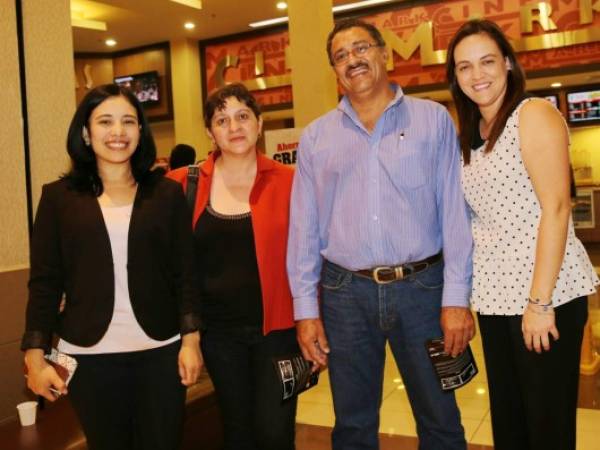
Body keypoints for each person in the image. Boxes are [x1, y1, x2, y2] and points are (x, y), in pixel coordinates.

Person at [287, 18, 474, 450]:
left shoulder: (434, 121)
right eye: (340, 56)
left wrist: (456, 299)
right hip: (345, 293)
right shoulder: (316, 138)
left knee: (441, 416)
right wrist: (305, 310)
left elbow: (454, 213)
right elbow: (304, 227)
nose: (352, 60)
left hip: (424, 290)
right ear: (334, 70)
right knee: (352, 423)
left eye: (361, 48)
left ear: (384, 52)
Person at [21, 84, 202, 450]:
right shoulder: (58, 199)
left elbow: (186, 274)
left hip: (160, 350)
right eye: (105, 121)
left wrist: (191, 340)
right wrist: (34, 357)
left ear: (140, 131)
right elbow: (44, 283)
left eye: (128, 122)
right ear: (86, 133)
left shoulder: (166, 193)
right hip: (89, 357)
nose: (118, 132)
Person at [446, 19, 599, 450]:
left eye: (487, 61)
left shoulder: (532, 115)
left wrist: (539, 303)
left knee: (546, 428)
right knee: (511, 426)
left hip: (543, 297)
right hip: (495, 300)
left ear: (509, 64)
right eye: (464, 67)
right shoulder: (472, 132)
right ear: (455, 77)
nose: (477, 75)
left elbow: (556, 208)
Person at [167, 83, 298, 450]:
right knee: (237, 430)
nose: (234, 126)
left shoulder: (291, 182)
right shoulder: (181, 184)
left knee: (275, 432)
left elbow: (310, 256)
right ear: (210, 132)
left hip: (280, 330)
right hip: (218, 333)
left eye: (243, 116)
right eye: (222, 120)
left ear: (259, 123)